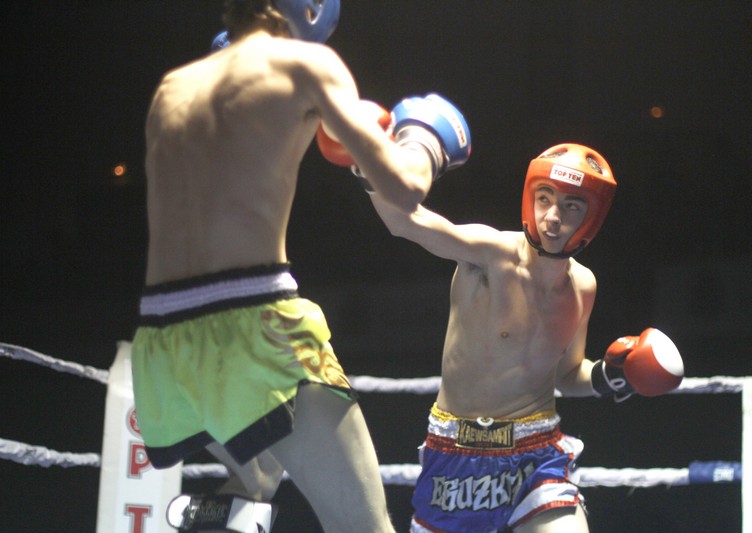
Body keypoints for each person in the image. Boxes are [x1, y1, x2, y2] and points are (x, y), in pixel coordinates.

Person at [129, 0, 471, 531]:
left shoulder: (171, 88)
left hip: (165, 343)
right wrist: (422, 139)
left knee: (258, 476)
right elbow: (405, 190)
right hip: (255, 327)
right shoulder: (306, 66)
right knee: (365, 526)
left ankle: (230, 510)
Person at [365, 143, 684, 532]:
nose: (552, 217)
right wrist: (362, 159)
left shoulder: (583, 285)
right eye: (544, 198)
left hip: (536, 453)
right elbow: (404, 221)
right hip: (457, 453)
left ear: (592, 217)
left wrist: (611, 375)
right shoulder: (489, 254)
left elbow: (567, 375)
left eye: (571, 206)